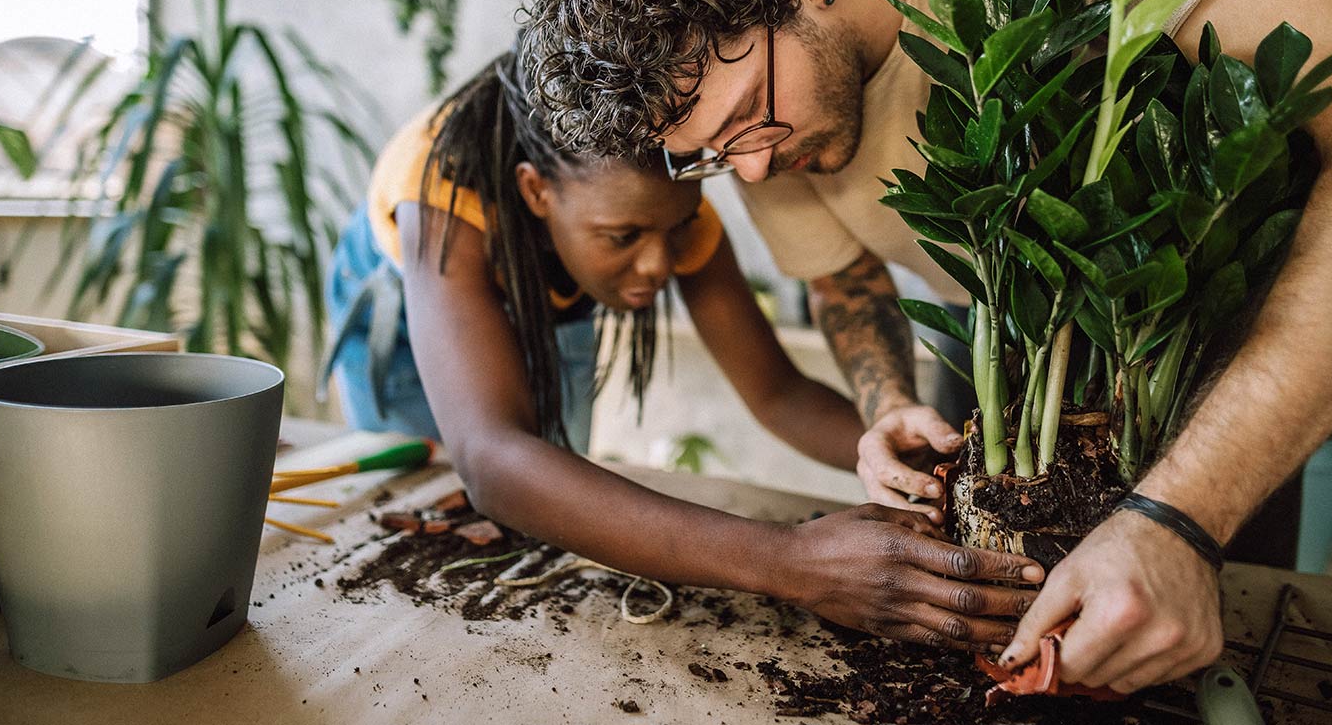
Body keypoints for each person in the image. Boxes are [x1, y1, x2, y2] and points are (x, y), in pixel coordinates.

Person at [516, 0, 1332, 693]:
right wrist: (886, 406)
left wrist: (1182, 520)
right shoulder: (765, 109)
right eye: (706, 154)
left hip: (1213, 371)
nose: (748, 171)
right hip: (1001, 358)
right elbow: (845, 279)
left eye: (745, 117)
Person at [325, 47, 1046, 648]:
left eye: (676, 229)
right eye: (623, 239)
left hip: (551, 290)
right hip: (407, 305)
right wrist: (788, 561)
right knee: (434, 524)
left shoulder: (661, 212)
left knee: (546, 515)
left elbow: (777, 393)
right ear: (535, 192)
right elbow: (492, 459)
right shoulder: (442, 187)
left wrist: (913, 462)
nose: (659, 266)